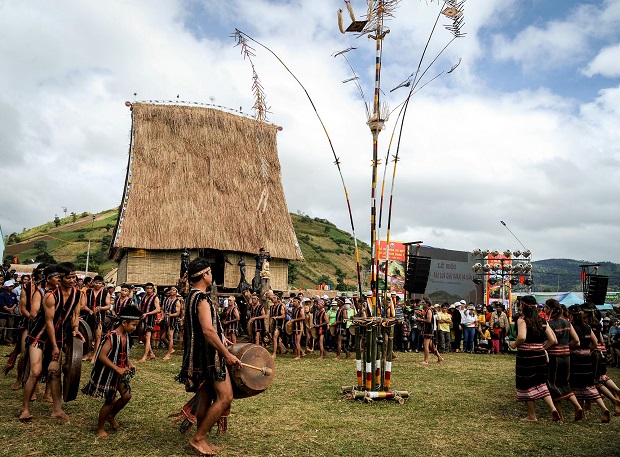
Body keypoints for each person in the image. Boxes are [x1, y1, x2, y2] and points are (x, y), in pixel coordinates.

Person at [175, 258, 241, 456]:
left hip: (198, 356)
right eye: (210, 271)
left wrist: (223, 339)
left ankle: (201, 438)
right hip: (210, 358)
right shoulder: (202, 299)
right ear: (204, 275)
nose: (212, 275)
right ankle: (198, 438)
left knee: (205, 396)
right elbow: (207, 331)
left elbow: (208, 330)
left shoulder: (191, 296)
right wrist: (226, 354)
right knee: (225, 396)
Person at [21, 262, 85, 421]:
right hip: (40, 335)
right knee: (35, 372)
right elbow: (49, 322)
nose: (72, 280)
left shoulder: (77, 294)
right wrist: (55, 347)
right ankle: (25, 409)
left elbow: (75, 314)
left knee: (55, 373)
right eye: (68, 277)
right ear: (60, 278)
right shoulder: (50, 296)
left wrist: (75, 328)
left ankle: (57, 410)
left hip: (59, 335)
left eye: (73, 277)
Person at [82, 305, 141, 438]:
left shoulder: (126, 335)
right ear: (124, 322)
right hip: (109, 374)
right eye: (133, 324)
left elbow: (123, 353)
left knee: (126, 396)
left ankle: (111, 416)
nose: (134, 328)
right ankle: (100, 428)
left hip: (120, 373)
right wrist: (117, 368)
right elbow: (101, 356)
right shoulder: (111, 336)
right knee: (110, 400)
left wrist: (129, 364)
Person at [509, 295, 560, 422]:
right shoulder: (542, 321)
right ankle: (552, 408)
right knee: (540, 382)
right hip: (540, 355)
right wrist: (542, 347)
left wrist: (514, 344)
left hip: (526, 356)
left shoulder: (522, 320)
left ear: (524, 306)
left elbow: (522, 337)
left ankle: (532, 415)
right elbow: (553, 340)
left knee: (526, 383)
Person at [543, 299, 585, 421]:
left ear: (550, 309)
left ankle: (560, 416)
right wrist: (566, 347)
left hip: (554, 357)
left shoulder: (549, 323)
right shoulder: (567, 323)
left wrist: (542, 348)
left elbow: (552, 340)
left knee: (552, 384)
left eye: (546, 307)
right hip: (566, 357)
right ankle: (577, 406)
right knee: (564, 383)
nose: (544, 309)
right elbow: (576, 341)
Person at [569, 305, 611, 422]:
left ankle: (580, 410)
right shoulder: (587, 327)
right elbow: (596, 342)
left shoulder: (571, 327)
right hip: (586, 358)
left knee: (576, 385)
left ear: (571, 315)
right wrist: (589, 350)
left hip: (575, 359)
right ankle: (603, 408)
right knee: (589, 385)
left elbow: (575, 341)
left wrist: (569, 348)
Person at [84, 275, 111, 363]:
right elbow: (84, 304)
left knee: (98, 336)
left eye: (99, 283)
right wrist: (89, 310)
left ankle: (95, 355)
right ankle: (88, 354)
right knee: (88, 336)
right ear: (93, 283)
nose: (97, 284)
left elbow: (108, 306)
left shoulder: (105, 292)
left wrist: (100, 308)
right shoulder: (88, 291)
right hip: (89, 316)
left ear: (102, 284)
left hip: (99, 317)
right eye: (96, 282)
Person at [137, 282, 160, 362]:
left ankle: (144, 357)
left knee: (147, 337)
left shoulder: (155, 297)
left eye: (150, 288)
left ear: (153, 289)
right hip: (143, 319)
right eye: (147, 288)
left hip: (150, 320)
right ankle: (151, 354)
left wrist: (147, 313)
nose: (149, 290)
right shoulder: (143, 297)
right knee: (144, 338)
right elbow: (140, 307)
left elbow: (158, 309)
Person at [420, 299, 443, 365]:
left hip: (428, 330)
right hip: (428, 329)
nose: (422, 303)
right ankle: (439, 357)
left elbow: (429, 320)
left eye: (424, 302)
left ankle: (426, 360)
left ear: (427, 303)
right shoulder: (427, 310)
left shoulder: (429, 310)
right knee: (432, 346)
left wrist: (420, 319)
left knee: (426, 345)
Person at [162, 286, 181, 360]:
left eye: (174, 290)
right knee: (162, 337)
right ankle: (171, 349)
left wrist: (170, 315)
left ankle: (169, 353)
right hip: (165, 320)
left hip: (172, 321)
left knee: (170, 337)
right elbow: (162, 309)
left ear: (176, 292)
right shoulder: (166, 300)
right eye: (171, 290)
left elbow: (177, 313)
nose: (172, 291)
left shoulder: (177, 301)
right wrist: (163, 315)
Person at [269, 293, 286, 358]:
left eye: (274, 298)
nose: (272, 299)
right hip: (273, 325)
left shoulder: (281, 306)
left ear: (277, 299)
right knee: (275, 338)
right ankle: (283, 350)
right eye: (272, 298)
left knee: (275, 337)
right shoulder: (271, 307)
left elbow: (283, 315)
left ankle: (274, 354)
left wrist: (276, 317)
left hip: (279, 325)